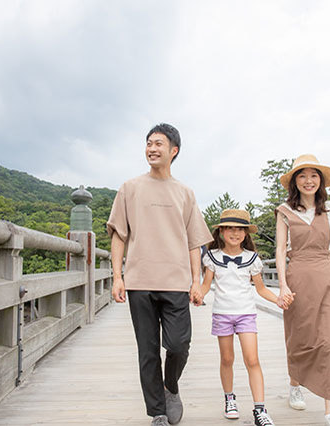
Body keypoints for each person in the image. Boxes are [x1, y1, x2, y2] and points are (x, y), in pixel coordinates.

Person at [107, 123, 213, 426]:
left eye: (159, 144)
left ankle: (171, 387)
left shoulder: (185, 193)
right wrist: (118, 276)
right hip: (139, 281)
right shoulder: (130, 188)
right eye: (148, 143)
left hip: (176, 282)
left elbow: (195, 242)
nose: (152, 149)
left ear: (173, 150)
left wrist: (196, 280)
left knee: (179, 345)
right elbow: (119, 236)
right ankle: (157, 412)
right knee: (148, 351)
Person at [195, 209, 293, 426]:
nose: (235, 233)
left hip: (246, 314)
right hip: (222, 314)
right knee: (227, 359)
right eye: (230, 228)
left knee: (252, 359)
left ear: (246, 233)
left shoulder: (252, 258)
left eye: (240, 229)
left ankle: (260, 409)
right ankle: (229, 398)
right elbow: (204, 286)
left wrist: (277, 299)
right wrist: (195, 296)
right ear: (221, 231)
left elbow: (260, 288)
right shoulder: (212, 257)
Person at [274, 154, 330, 426]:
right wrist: (282, 284)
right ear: (295, 181)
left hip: (327, 279)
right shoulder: (285, 212)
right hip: (298, 278)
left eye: (313, 175)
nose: (308, 181)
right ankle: (296, 384)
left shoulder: (329, 209)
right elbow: (281, 250)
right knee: (300, 337)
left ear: (320, 180)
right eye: (302, 176)